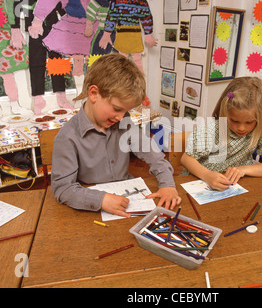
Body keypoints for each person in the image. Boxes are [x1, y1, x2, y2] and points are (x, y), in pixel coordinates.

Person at [51, 53, 181, 217]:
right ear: (93, 93)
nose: (121, 117)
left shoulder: (123, 122)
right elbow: (63, 188)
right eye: (117, 109)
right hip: (90, 207)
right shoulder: (67, 137)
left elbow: (154, 156)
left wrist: (168, 184)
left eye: (126, 111)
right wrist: (101, 200)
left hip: (127, 198)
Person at [181, 77, 262, 191]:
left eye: (249, 122)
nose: (241, 128)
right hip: (198, 181)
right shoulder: (212, 130)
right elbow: (186, 159)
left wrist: (243, 170)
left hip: (234, 184)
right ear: (225, 113)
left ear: (260, 117)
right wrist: (207, 175)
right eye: (234, 121)